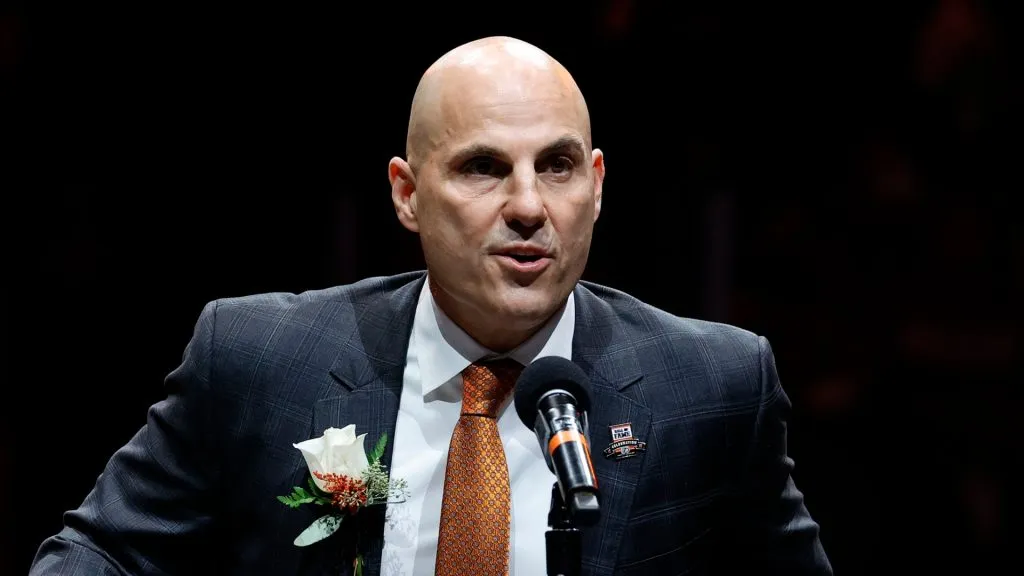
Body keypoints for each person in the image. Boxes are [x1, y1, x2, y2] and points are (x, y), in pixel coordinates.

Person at [29, 36, 832, 575]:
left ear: (596, 185)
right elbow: (97, 557)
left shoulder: (714, 385)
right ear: (407, 195)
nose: (528, 205)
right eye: (484, 168)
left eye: (556, 167)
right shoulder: (256, 359)